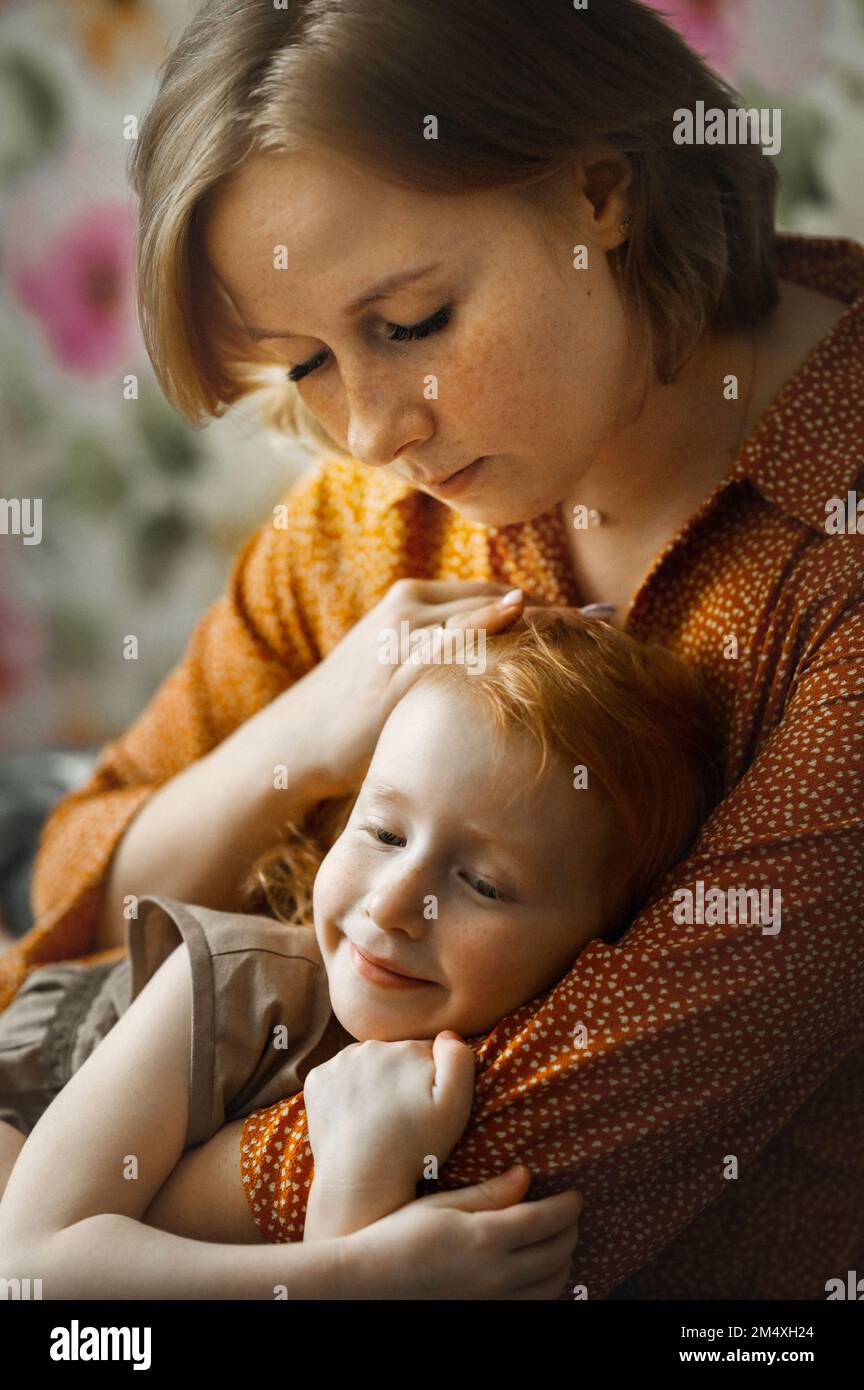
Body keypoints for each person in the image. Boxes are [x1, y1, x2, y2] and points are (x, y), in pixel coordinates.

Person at [1, 0, 861, 1300]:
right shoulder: (374, 517)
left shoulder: (832, 549)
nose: (369, 431)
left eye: (411, 323)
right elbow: (71, 908)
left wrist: (73, 1228)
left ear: (597, 192)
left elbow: (566, 1159)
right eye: (301, 363)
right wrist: (289, 745)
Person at [0, 614, 721, 1297]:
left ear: (603, 943)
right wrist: (353, 1272)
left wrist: (355, 1207)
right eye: (382, 833)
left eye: (483, 884)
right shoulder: (237, 980)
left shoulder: (534, 1082)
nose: (391, 905)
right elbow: (30, 1264)